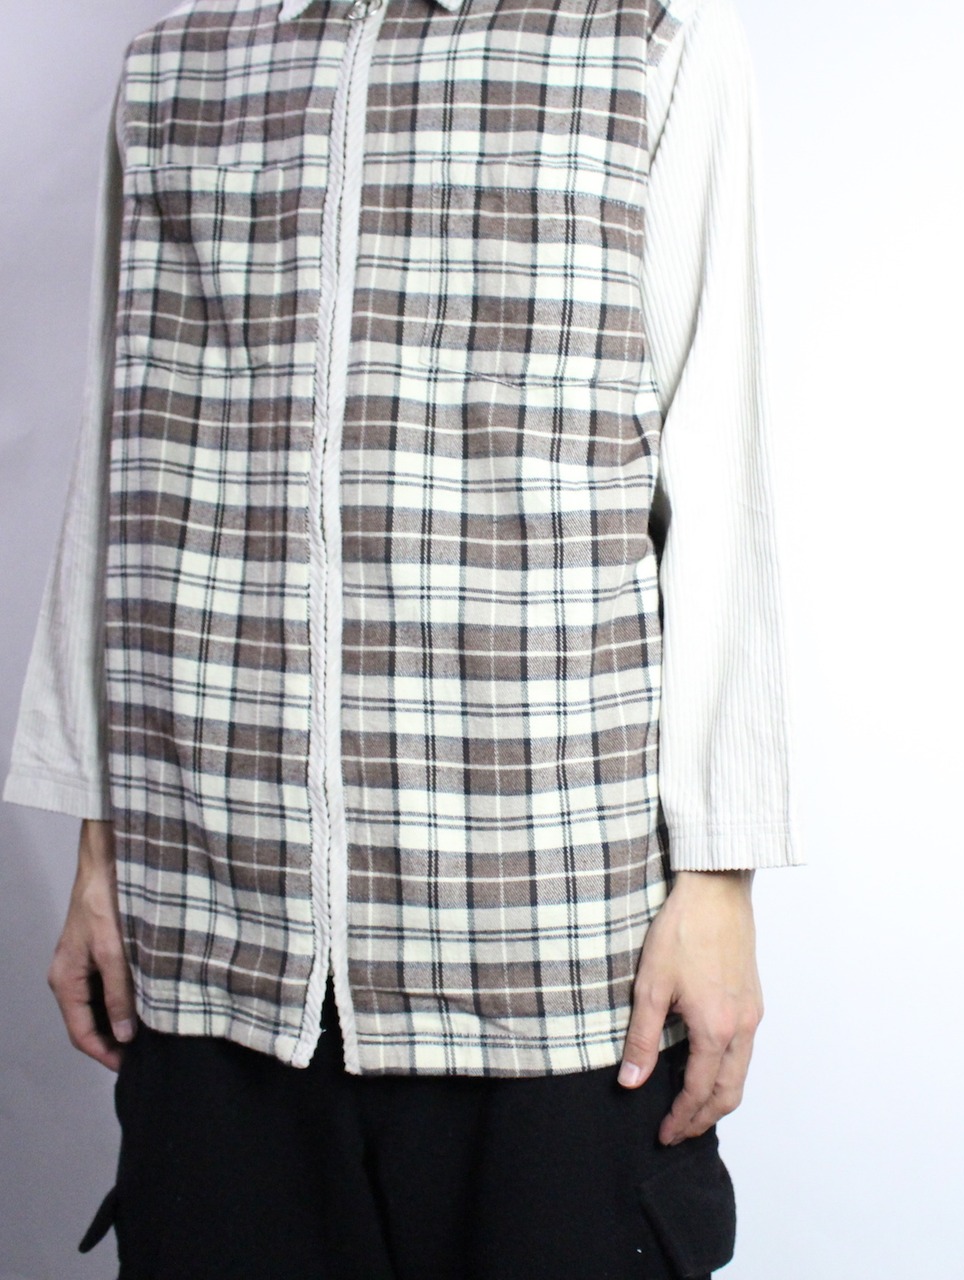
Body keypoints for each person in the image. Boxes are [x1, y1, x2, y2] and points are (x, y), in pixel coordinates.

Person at [3, 0, 802, 1274]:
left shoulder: (644, 43)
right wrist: (103, 841)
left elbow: (718, 465)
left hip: (546, 951)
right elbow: (127, 450)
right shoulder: (182, 59)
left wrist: (717, 879)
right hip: (214, 923)